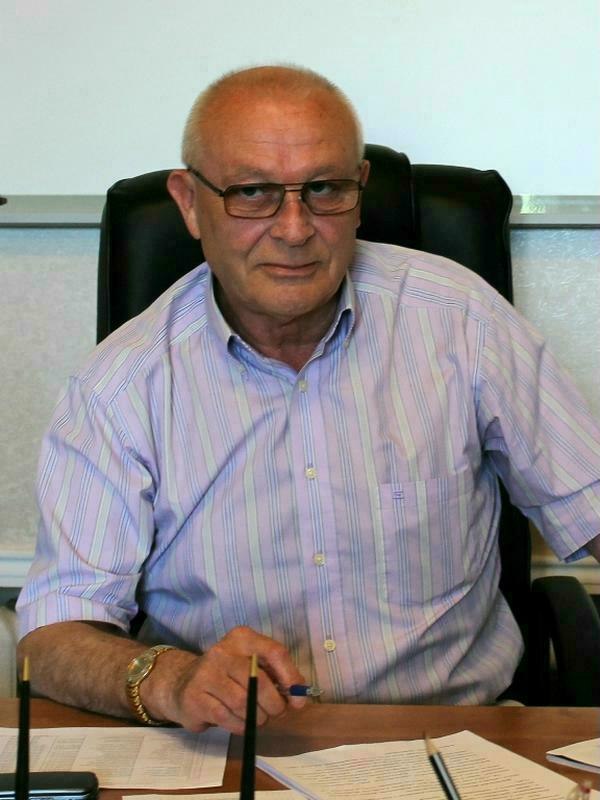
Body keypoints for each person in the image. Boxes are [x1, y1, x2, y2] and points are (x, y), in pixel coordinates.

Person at [17, 65, 600, 735]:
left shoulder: (462, 321)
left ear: (360, 191)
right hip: (231, 750)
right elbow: (53, 638)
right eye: (252, 193)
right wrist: (174, 681)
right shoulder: (118, 387)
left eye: (324, 189)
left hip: (453, 742)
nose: (294, 229)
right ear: (189, 203)